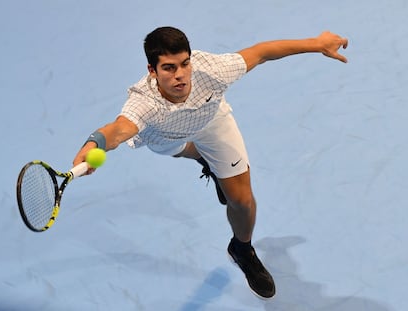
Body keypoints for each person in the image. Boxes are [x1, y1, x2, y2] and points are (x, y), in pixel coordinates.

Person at [73, 26, 348, 299]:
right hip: (167, 135)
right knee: (188, 150)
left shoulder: (212, 70)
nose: (180, 75)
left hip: (212, 123)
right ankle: (210, 163)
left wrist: (317, 43)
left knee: (242, 201)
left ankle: (241, 249)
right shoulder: (144, 103)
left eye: (184, 64)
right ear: (152, 70)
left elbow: (262, 53)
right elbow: (118, 130)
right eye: (169, 68)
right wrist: (93, 143)